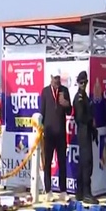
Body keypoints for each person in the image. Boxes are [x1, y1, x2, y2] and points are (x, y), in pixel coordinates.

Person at [40, 72, 72, 201]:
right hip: (48, 133)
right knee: (47, 162)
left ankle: (63, 191)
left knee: (62, 162)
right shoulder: (45, 92)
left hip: (60, 134)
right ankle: (48, 190)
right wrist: (41, 130)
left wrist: (66, 104)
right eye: (55, 79)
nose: (57, 81)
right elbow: (42, 112)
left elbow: (69, 111)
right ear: (51, 78)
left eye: (58, 79)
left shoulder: (64, 90)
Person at [72, 71, 99, 204]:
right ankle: (86, 193)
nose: (83, 85)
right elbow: (80, 117)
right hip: (83, 132)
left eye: (85, 82)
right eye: (81, 82)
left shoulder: (85, 97)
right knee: (86, 163)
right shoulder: (79, 98)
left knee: (85, 163)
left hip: (87, 131)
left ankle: (80, 192)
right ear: (78, 83)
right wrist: (91, 120)